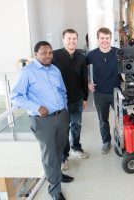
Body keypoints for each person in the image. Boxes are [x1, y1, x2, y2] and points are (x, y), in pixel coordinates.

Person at [11, 41, 72, 200]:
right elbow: (15, 96)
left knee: (59, 151)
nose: (48, 56)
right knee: (49, 156)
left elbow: (62, 91)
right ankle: (54, 190)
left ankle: (57, 176)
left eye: (50, 52)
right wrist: (37, 107)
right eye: (44, 53)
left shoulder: (55, 69)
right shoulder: (27, 72)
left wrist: (64, 108)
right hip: (43, 121)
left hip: (61, 116)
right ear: (36, 54)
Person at [52, 29, 89, 171]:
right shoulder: (55, 56)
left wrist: (85, 97)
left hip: (77, 98)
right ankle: (64, 156)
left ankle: (76, 147)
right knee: (63, 129)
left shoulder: (81, 58)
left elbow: (84, 79)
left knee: (76, 125)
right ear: (63, 40)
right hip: (61, 101)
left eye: (74, 38)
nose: (72, 41)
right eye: (69, 38)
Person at [87, 27, 121, 154]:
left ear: (110, 38)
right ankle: (106, 142)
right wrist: (88, 82)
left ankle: (123, 139)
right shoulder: (91, 55)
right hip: (100, 93)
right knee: (103, 120)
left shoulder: (118, 53)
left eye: (107, 38)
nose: (105, 41)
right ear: (98, 39)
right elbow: (82, 70)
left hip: (116, 91)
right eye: (102, 38)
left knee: (121, 118)